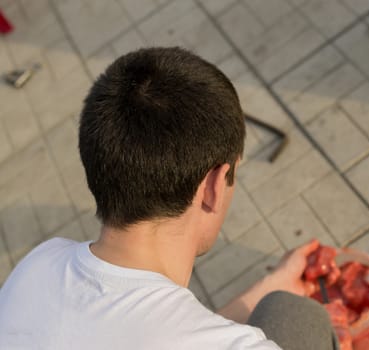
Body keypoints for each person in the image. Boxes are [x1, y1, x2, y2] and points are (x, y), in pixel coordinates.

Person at [0, 47, 336, 350]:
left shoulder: (38, 266)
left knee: (277, 298)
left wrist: (274, 281)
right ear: (214, 185)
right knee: (294, 314)